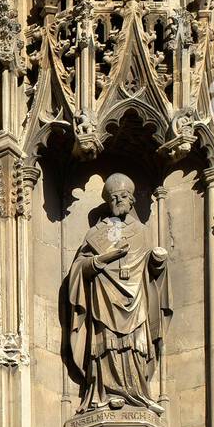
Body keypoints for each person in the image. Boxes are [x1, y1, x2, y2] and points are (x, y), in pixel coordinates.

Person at [66, 173, 170, 413]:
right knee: (106, 346)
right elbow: (79, 269)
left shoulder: (142, 232)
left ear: (131, 199)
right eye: (113, 197)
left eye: (122, 196)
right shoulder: (96, 234)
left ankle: (137, 393)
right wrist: (104, 258)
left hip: (136, 298)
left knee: (134, 347)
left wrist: (157, 262)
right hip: (104, 299)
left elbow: (151, 272)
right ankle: (105, 393)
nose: (118, 201)